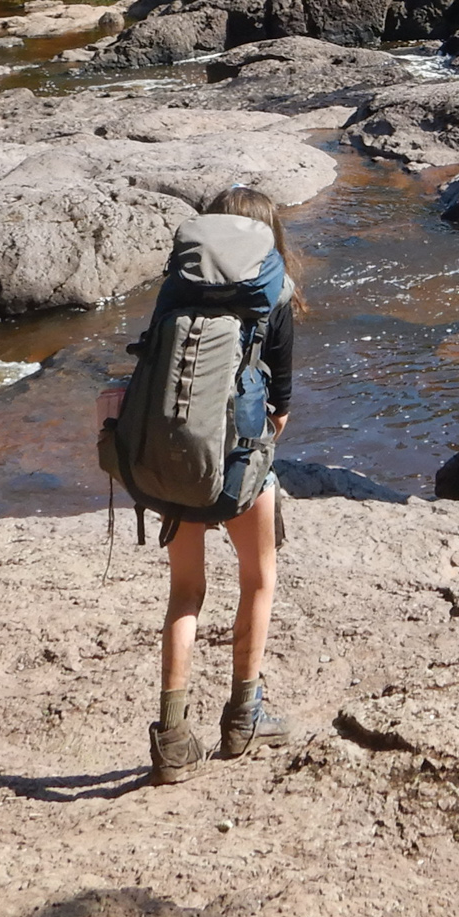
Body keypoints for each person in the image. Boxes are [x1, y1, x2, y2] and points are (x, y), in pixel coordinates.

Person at [98, 185, 299, 788]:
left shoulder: (177, 285)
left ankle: (172, 739)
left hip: (174, 460)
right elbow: (280, 408)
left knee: (185, 593)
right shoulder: (276, 293)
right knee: (258, 580)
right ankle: (243, 717)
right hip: (239, 467)